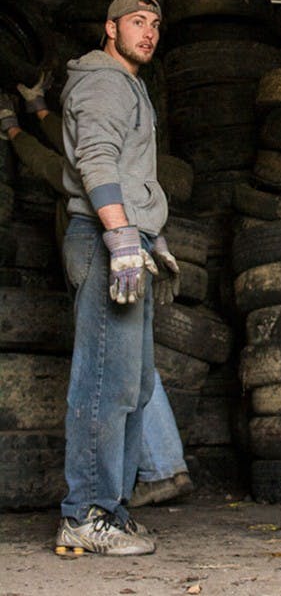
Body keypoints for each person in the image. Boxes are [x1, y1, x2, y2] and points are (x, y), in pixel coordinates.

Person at [0, 73, 193, 511]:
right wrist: (41, 110)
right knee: (131, 369)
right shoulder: (99, 144)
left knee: (107, 372)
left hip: (106, 247)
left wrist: (12, 128)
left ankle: (95, 508)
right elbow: (69, 138)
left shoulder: (93, 167)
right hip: (130, 239)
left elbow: (49, 160)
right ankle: (152, 474)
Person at [53, 0, 181, 556]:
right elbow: (97, 161)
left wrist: (151, 232)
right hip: (109, 242)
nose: (148, 32)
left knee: (133, 385)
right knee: (106, 383)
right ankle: (86, 513)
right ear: (111, 28)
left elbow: (130, 173)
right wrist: (122, 234)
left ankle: (112, 508)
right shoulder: (103, 80)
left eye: (154, 24)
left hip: (130, 240)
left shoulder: (131, 84)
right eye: (136, 22)